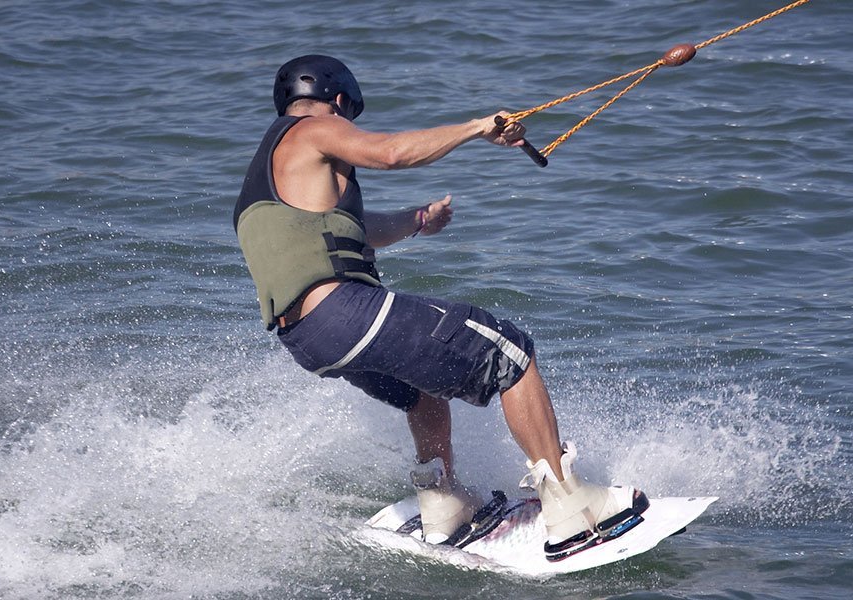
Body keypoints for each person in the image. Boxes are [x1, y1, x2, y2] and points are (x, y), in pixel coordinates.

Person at [233, 54, 648, 561]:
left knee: (424, 392)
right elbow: (388, 154)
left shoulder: (268, 171)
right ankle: (569, 504)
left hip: (308, 339)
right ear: (339, 102)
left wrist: (417, 220)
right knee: (511, 353)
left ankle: (443, 502)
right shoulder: (314, 130)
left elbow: (355, 234)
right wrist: (477, 128)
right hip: (344, 310)